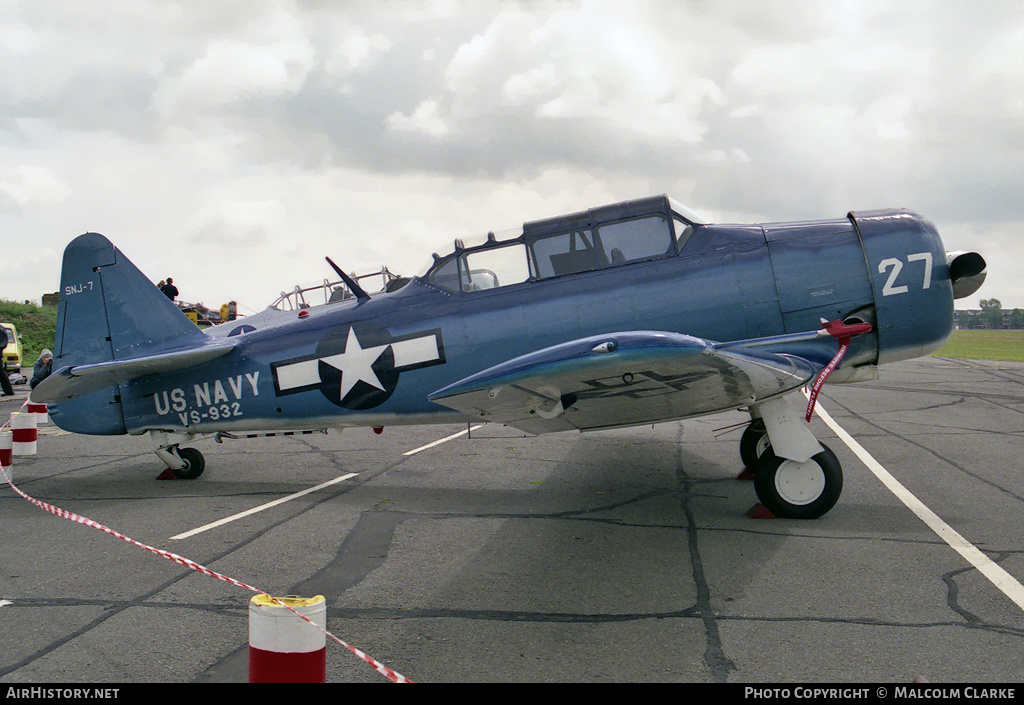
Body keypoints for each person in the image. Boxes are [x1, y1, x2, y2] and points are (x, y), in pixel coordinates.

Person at [0, 326, 12, 397]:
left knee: (1, 373)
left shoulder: (1, 330)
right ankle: (8, 390)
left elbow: (2, 344)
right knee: (1, 373)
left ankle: (8, 390)